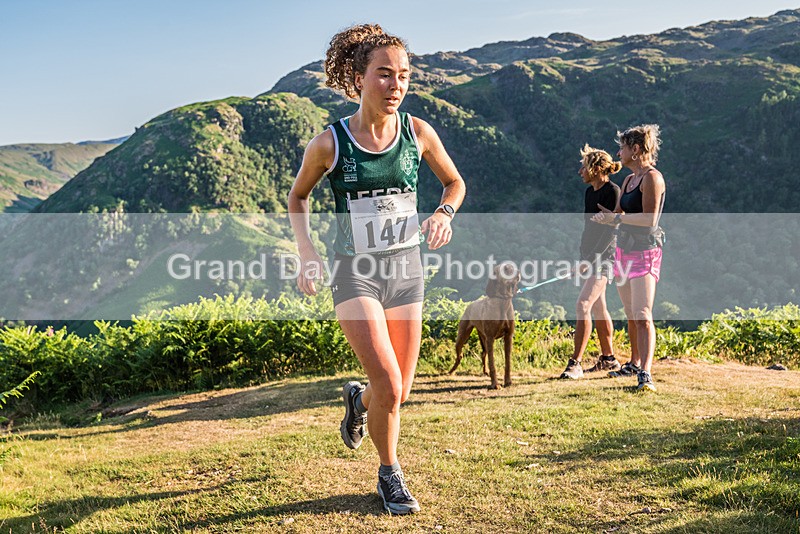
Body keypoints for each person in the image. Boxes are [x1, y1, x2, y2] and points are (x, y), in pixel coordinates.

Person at [287, 24, 466, 515]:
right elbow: (298, 196)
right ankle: (390, 473)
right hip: (355, 273)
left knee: (397, 390)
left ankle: (358, 401)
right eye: (384, 74)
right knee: (388, 379)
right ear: (360, 78)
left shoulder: (418, 133)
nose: (395, 85)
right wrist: (307, 252)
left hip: (407, 271)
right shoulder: (330, 144)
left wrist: (444, 214)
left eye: (404, 75)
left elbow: (454, 184)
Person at [593, 124, 665, 392]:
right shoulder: (628, 180)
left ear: (635, 150)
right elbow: (620, 214)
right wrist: (607, 218)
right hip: (623, 250)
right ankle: (634, 362)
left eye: (621, 147)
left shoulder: (652, 178)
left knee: (643, 314)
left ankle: (646, 373)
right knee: (631, 314)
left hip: (645, 252)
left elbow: (649, 220)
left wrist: (617, 218)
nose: (618, 152)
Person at [560, 144, 622, 379]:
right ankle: (609, 359)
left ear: (596, 169)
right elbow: (590, 228)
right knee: (598, 307)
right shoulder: (589, 193)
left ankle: (575, 363)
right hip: (589, 256)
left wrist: (589, 260)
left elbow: (611, 231)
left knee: (583, 305)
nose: (580, 172)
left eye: (584, 167)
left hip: (604, 258)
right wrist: (583, 258)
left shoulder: (612, 191)